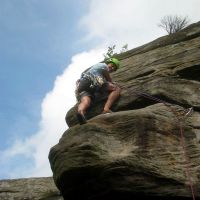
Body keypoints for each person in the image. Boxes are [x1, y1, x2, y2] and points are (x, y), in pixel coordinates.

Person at [75, 57, 121, 125]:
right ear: (108, 63)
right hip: (94, 80)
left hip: (83, 85)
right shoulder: (103, 65)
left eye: (114, 69)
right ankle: (106, 108)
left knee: (86, 101)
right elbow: (106, 76)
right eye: (112, 65)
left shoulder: (94, 68)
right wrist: (112, 82)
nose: (113, 68)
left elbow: (82, 76)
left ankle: (80, 112)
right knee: (116, 89)